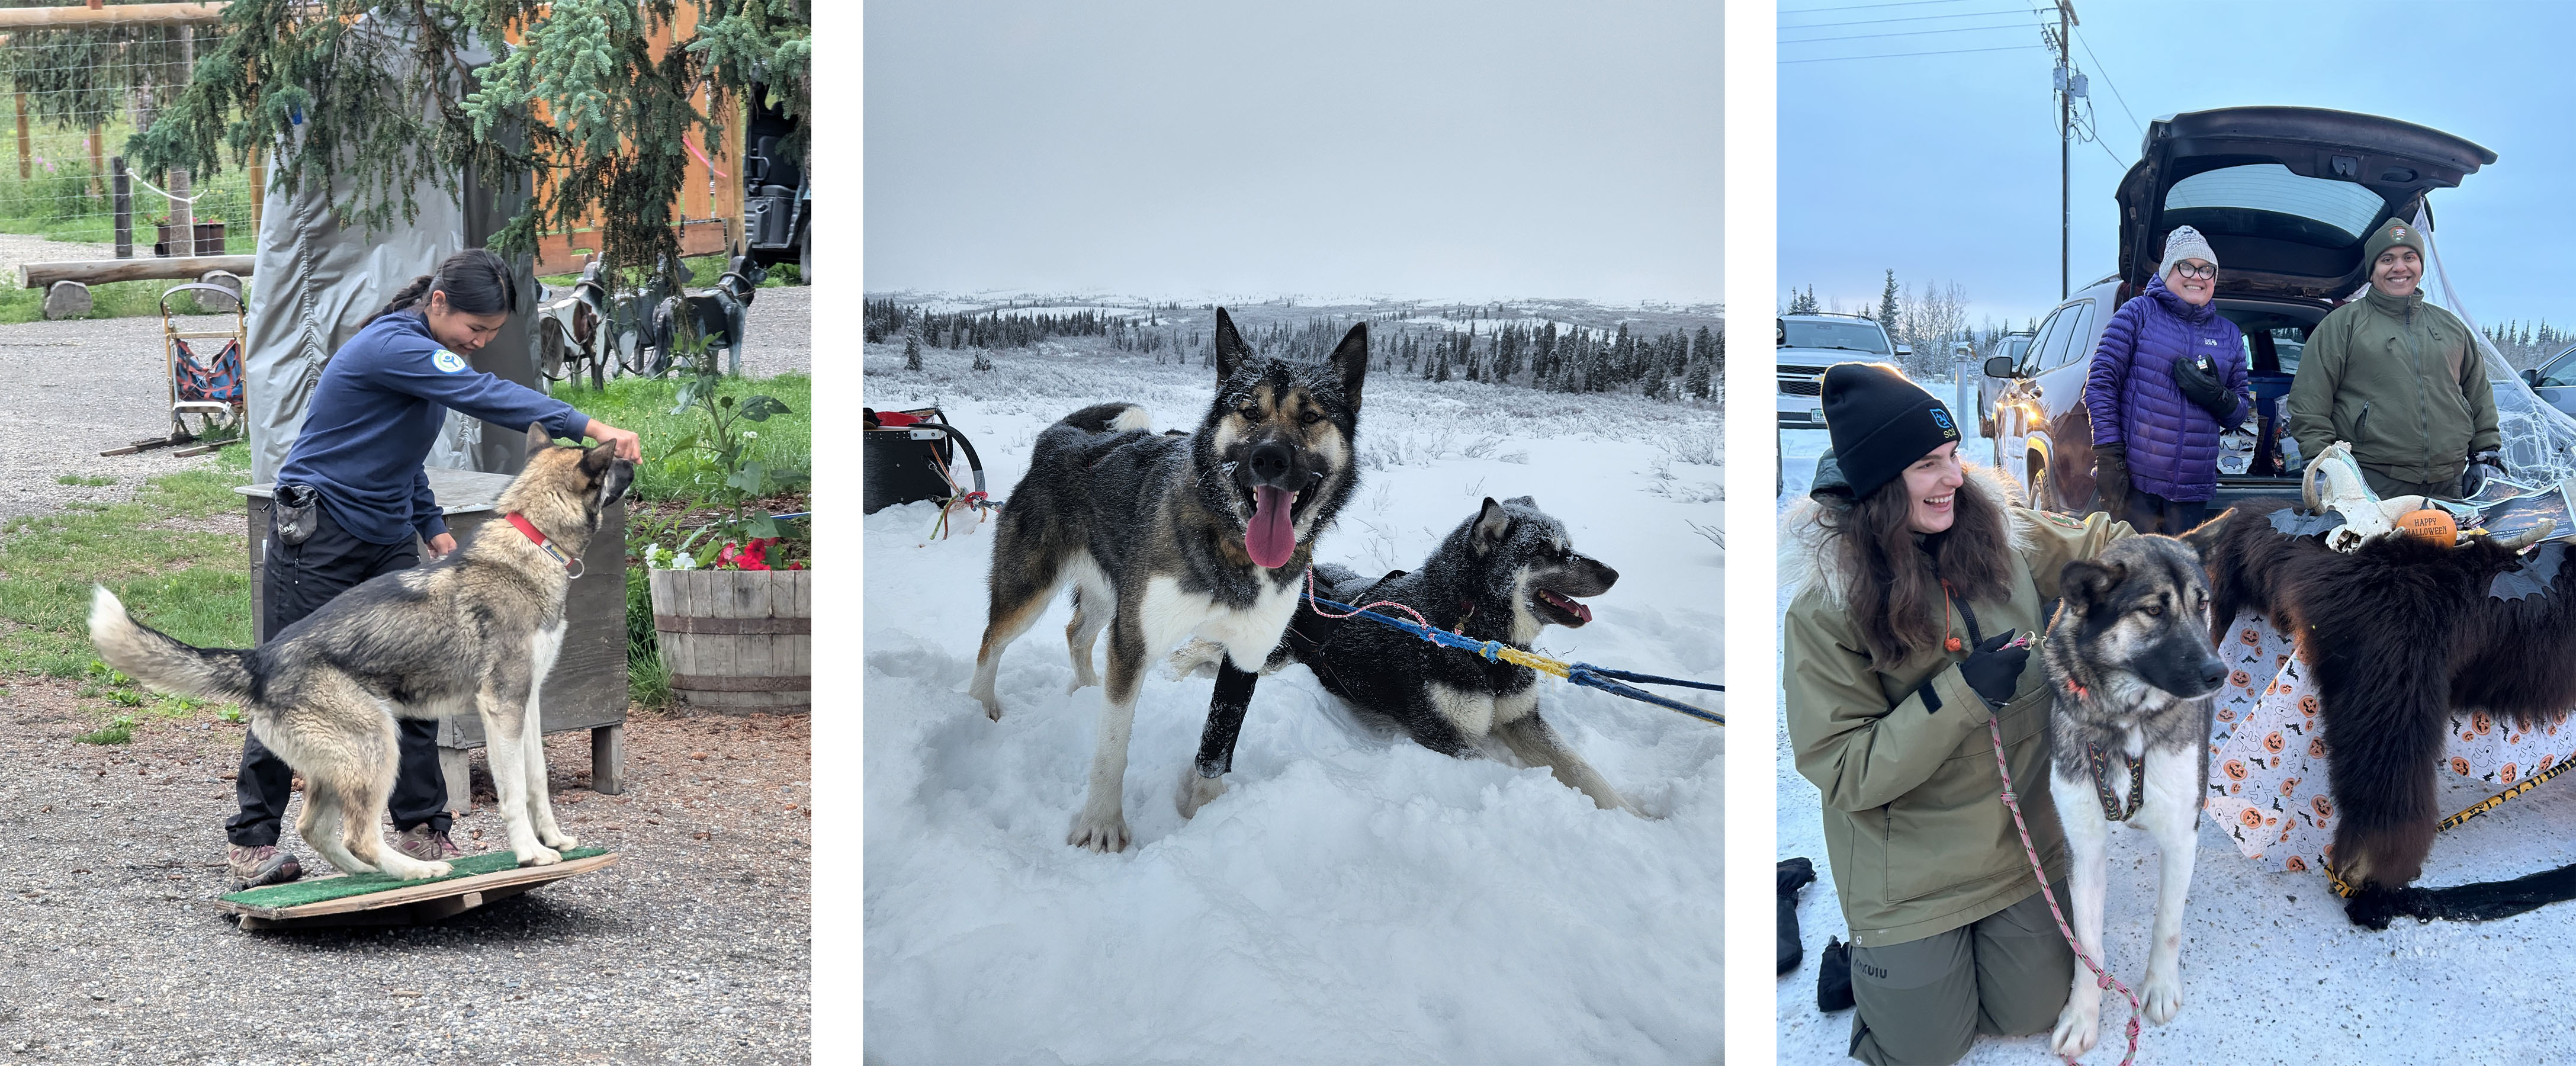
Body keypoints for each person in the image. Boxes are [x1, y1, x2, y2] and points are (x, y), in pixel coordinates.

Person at [225, 249, 644, 889]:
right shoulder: (394, 345)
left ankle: (420, 824)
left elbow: (401, 453)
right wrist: (588, 425)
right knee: (290, 677)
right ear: (438, 305)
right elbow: (485, 394)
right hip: (319, 530)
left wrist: (433, 527)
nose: (479, 344)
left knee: (418, 681)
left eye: (492, 335)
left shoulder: (426, 355)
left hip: (386, 530)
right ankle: (254, 839)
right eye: (474, 331)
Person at [1785, 362, 2135, 1065]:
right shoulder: (1826, 607)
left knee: (2032, 1009)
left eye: (1953, 457)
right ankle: (1868, 962)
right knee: (1924, 1049)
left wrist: (2218, 554)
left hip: (2016, 844)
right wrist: (1960, 696)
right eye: (1927, 465)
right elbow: (1845, 769)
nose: (1954, 478)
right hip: (1907, 865)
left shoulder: (1995, 530)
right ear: (1881, 483)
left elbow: (2101, 547)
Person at [2283, 217, 2503, 499]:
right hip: (2372, 483)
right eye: (2387, 259)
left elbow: (2478, 393)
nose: (2400, 268)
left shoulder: (2451, 327)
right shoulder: (2343, 324)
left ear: (2421, 266)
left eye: (2409, 257)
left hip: (2449, 483)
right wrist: (2324, 464)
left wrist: (2485, 454)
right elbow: (2309, 401)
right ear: (2372, 270)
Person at [2085, 225, 2253, 535]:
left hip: (2193, 489)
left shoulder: (2228, 334)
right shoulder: (2138, 314)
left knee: (2183, 573)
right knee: (2135, 573)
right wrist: (2109, 457)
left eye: (2207, 270)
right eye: (2186, 266)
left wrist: (2217, 396)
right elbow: (2101, 384)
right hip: (2138, 483)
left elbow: (2240, 412)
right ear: (2167, 271)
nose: (2197, 277)